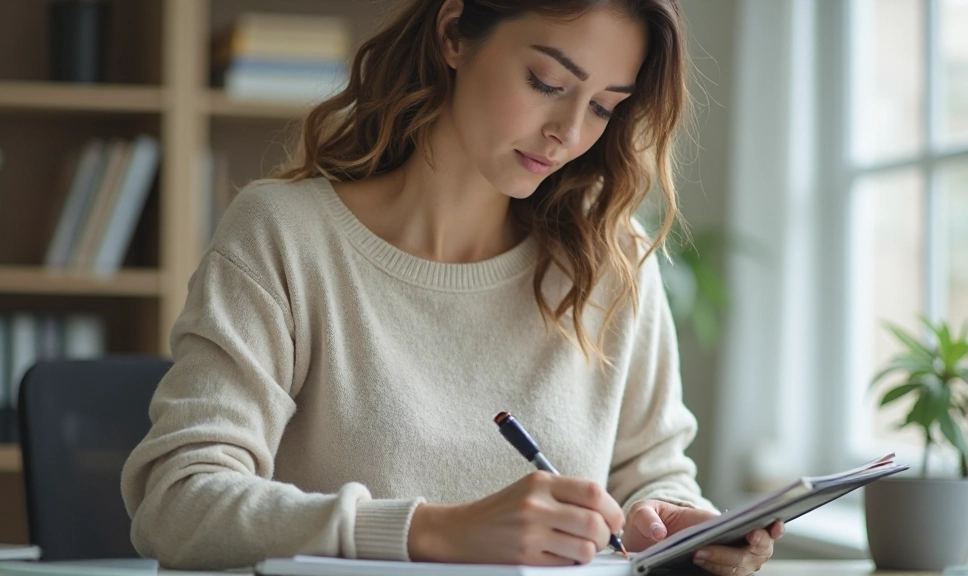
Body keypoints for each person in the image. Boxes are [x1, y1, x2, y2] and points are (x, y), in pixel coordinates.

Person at [121, 0, 785, 574]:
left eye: (605, 108)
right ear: (454, 33)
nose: (569, 133)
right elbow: (178, 503)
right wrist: (433, 532)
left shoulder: (611, 259)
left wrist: (670, 524)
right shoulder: (286, 236)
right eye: (548, 82)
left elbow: (654, 470)